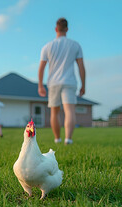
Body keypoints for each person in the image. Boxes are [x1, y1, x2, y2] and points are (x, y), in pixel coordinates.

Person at [38, 17, 86, 145]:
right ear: (67, 29)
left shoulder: (47, 46)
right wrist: (83, 85)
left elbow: (41, 68)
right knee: (69, 110)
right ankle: (68, 140)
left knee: (55, 111)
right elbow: (81, 67)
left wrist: (40, 86)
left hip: (53, 83)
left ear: (55, 29)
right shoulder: (75, 45)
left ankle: (57, 139)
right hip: (69, 82)